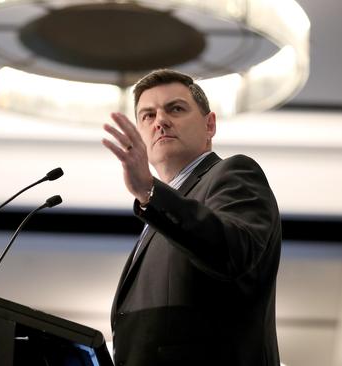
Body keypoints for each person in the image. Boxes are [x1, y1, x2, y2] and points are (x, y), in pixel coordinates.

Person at [101, 69, 282, 366]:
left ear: (210, 125)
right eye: (148, 115)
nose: (160, 121)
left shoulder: (234, 173)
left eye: (175, 108)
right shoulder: (156, 210)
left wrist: (150, 191)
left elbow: (232, 251)